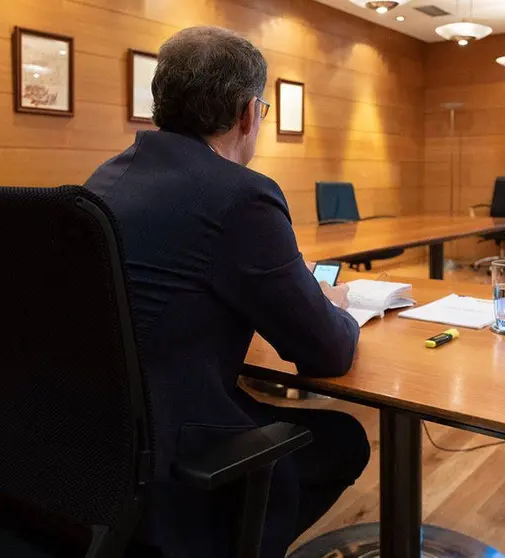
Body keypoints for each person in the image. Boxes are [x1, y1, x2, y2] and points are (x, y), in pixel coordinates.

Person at [84, 27, 369, 558]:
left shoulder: (104, 178)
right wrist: (334, 306)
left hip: (84, 446)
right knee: (345, 440)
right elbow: (326, 352)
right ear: (247, 113)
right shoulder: (241, 195)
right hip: (170, 458)